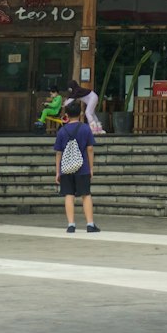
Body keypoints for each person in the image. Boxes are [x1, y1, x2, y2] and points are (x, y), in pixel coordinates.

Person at [54, 99, 100, 234]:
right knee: (86, 195)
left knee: (68, 194)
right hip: (83, 167)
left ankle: (71, 225)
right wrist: (91, 168)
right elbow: (90, 149)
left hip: (66, 168)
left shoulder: (62, 131)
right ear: (80, 113)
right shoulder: (85, 128)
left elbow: (58, 153)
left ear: (66, 115)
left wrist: (58, 171)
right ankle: (90, 224)